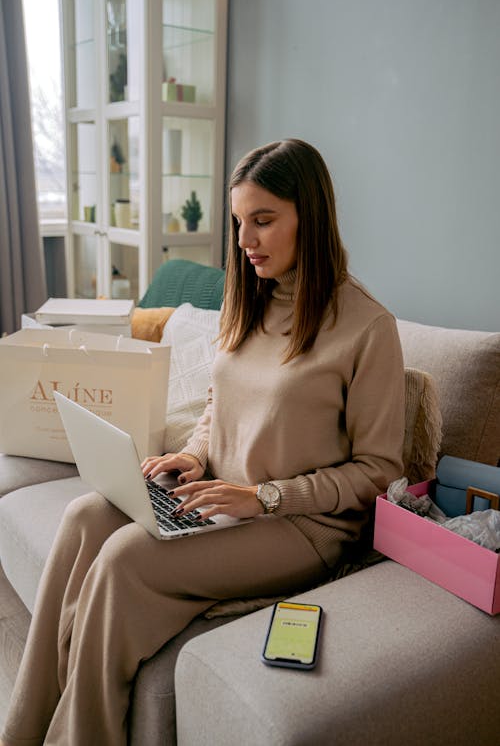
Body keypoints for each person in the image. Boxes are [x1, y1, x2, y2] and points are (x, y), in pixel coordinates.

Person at [1, 139, 405, 746]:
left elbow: (379, 472)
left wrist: (263, 497)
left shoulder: (368, 327)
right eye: (240, 223)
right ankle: (24, 729)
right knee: (85, 514)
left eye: (264, 221)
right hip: (217, 497)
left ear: (311, 217)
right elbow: (221, 404)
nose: (246, 243)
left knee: (123, 559)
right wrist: (193, 454)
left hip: (302, 527)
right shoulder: (252, 297)